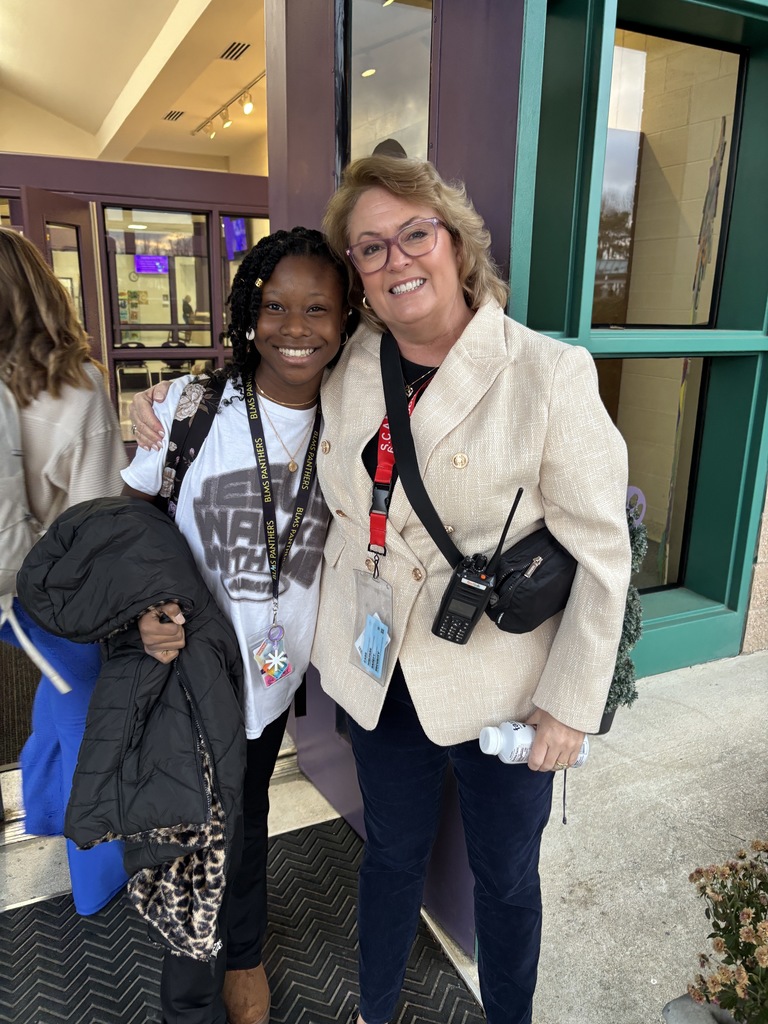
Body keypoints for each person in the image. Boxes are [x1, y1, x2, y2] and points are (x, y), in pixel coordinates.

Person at [131, 158, 631, 1024]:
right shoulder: (351, 363)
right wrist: (162, 398)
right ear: (356, 273)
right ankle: (377, 1006)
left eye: (414, 234)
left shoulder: (548, 373)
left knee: (506, 875)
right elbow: (265, 382)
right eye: (370, 246)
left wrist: (569, 706)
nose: (397, 259)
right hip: (378, 670)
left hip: (504, 685)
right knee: (390, 855)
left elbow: (603, 554)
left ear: (456, 243)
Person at [123, 226, 349, 1024]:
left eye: (318, 308)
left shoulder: (355, 419)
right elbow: (135, 516)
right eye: (275, 305)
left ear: (346, 318)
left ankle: (243, 954)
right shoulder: (192, 408)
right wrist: (150, 605)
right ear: (246, 312)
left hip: (272, 677)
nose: (296, 326)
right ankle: (190, 1000)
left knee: (247, 820)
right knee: (192, 839)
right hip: (188, 674)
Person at [0, 226, 129, 915]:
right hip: (53, 596)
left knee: (54, 698)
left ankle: (45, 812)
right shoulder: (77, 392)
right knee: (90, 721)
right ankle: (99, 881)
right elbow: (96, 524)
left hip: (2, 594)